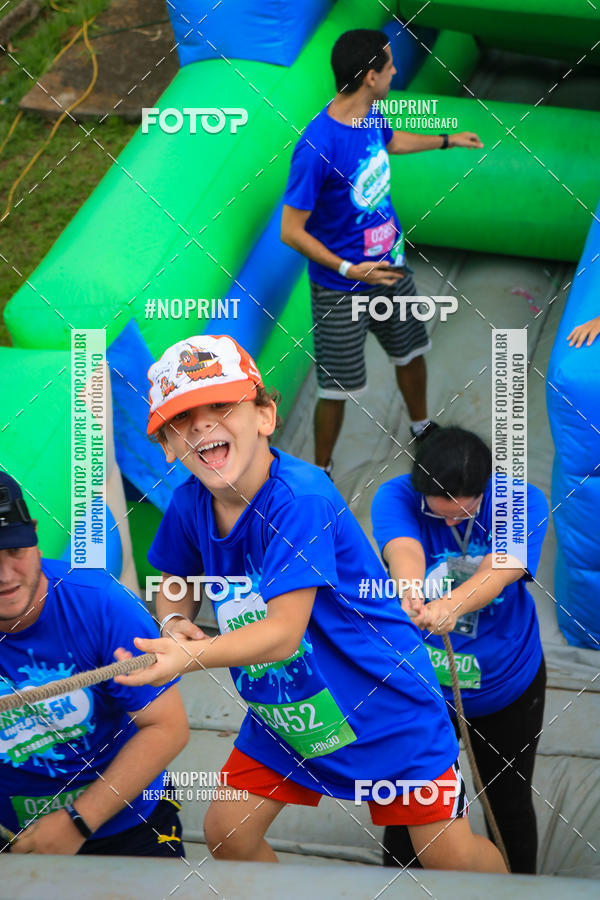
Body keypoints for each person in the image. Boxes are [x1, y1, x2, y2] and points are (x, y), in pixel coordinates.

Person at [114, 334, 506, 873]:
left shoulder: (302, 500)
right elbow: (176, 575)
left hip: (383, 703)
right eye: (183, 420)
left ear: (265, 417)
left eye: (221, 406)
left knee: (445, 851)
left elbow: (281, 635)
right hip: (291, 708)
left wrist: (187, 657)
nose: (202, 425)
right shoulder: (190, 502)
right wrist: (176, 617)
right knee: (228, 832)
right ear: (168, 447)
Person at [281, 29, 483, 473]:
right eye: (388, 66)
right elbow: (291, 231)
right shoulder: (318, 146)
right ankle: (322, 470)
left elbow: (393, 142)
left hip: (391, 271)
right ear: (371, 76)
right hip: (341, 288)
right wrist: (351, 269)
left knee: (411, 353)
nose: (395, 70)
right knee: (335, 389)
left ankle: (421, 426)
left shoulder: (370, 115)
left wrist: (448, 139)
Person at [371, 426, 548, 873]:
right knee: (410, 801)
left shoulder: (521, 501)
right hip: (423, 689)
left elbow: (500, 568)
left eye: (461, 514)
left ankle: (518, 887)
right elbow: (404, 549)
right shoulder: (395, 496)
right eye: (439, 514)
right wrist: (411, 594)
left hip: (505, 682)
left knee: (506, 800)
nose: (450, 524)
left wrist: (451, 603)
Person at [0, 471, 189, 856]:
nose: (4, 577)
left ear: (34, 536)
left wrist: (79, 820)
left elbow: (167, 727)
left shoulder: (103, 605)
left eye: (13, 551)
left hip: (124, 820)